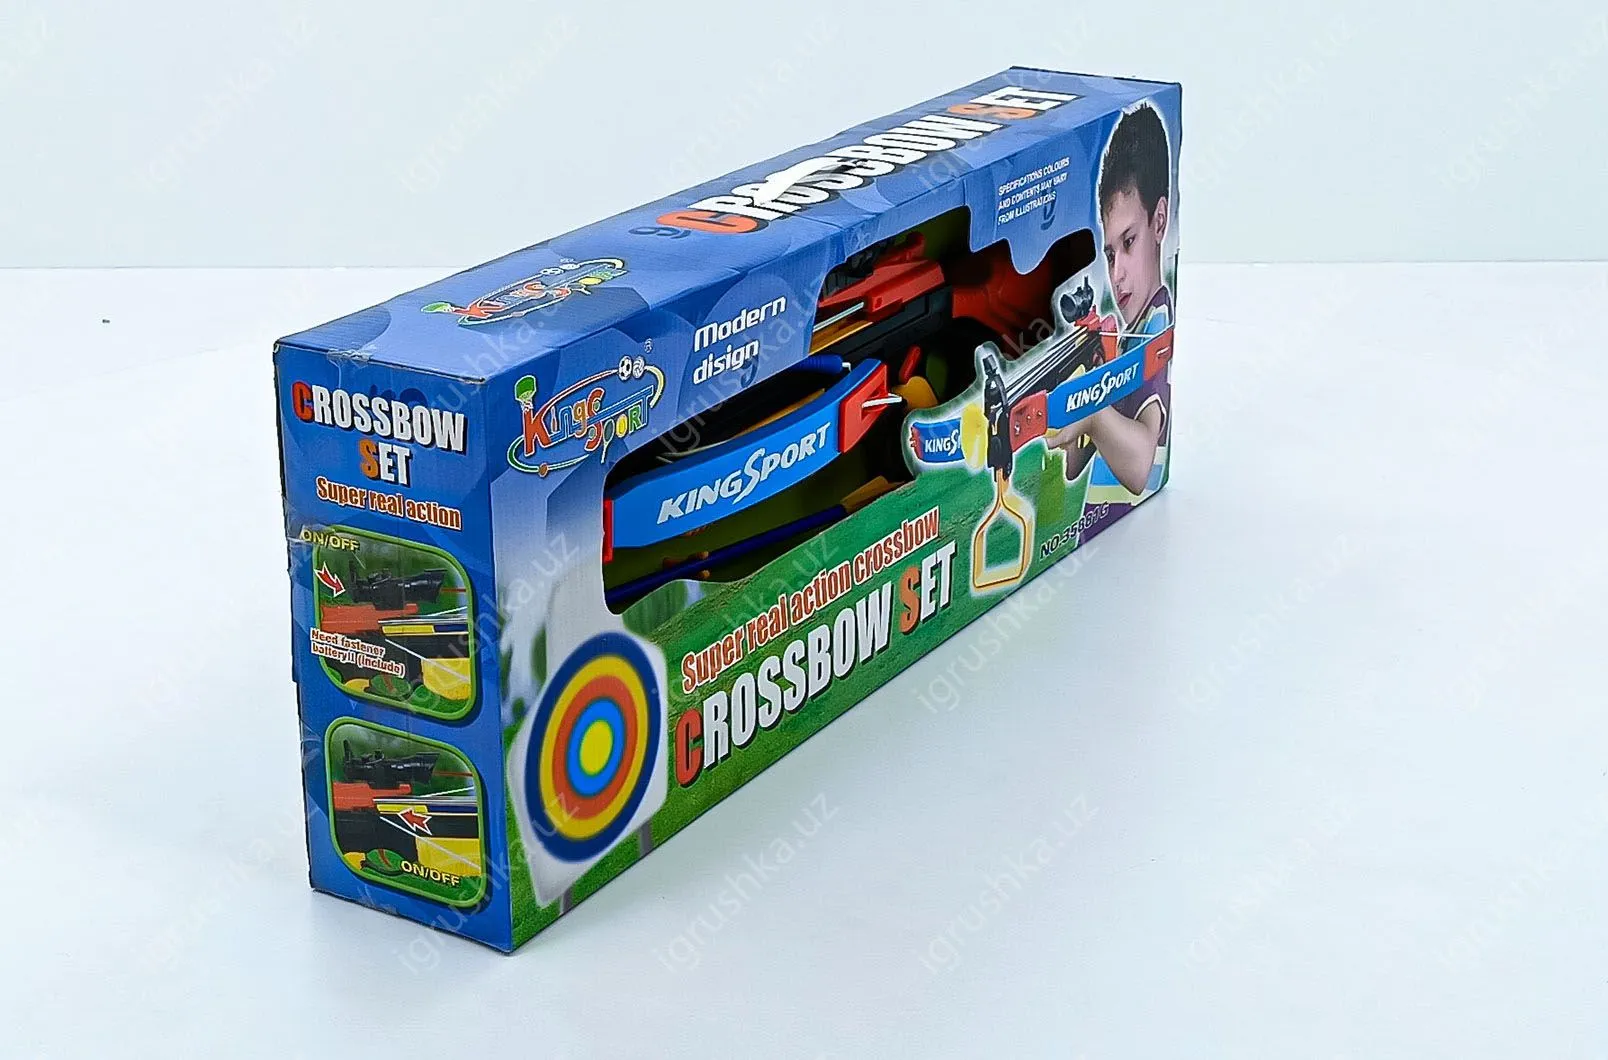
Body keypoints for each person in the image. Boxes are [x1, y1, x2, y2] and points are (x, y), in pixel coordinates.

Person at [1047, 103, 1172, 495]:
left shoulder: (1155, 327)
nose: (1116, 274)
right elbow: (1076, 465)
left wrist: (1092, 415)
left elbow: (1139, 467)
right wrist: (1076, 411)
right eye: (1110, 254)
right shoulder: (1128, 334)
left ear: (1159, 221)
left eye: (1128, 241)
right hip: (1101, 525)